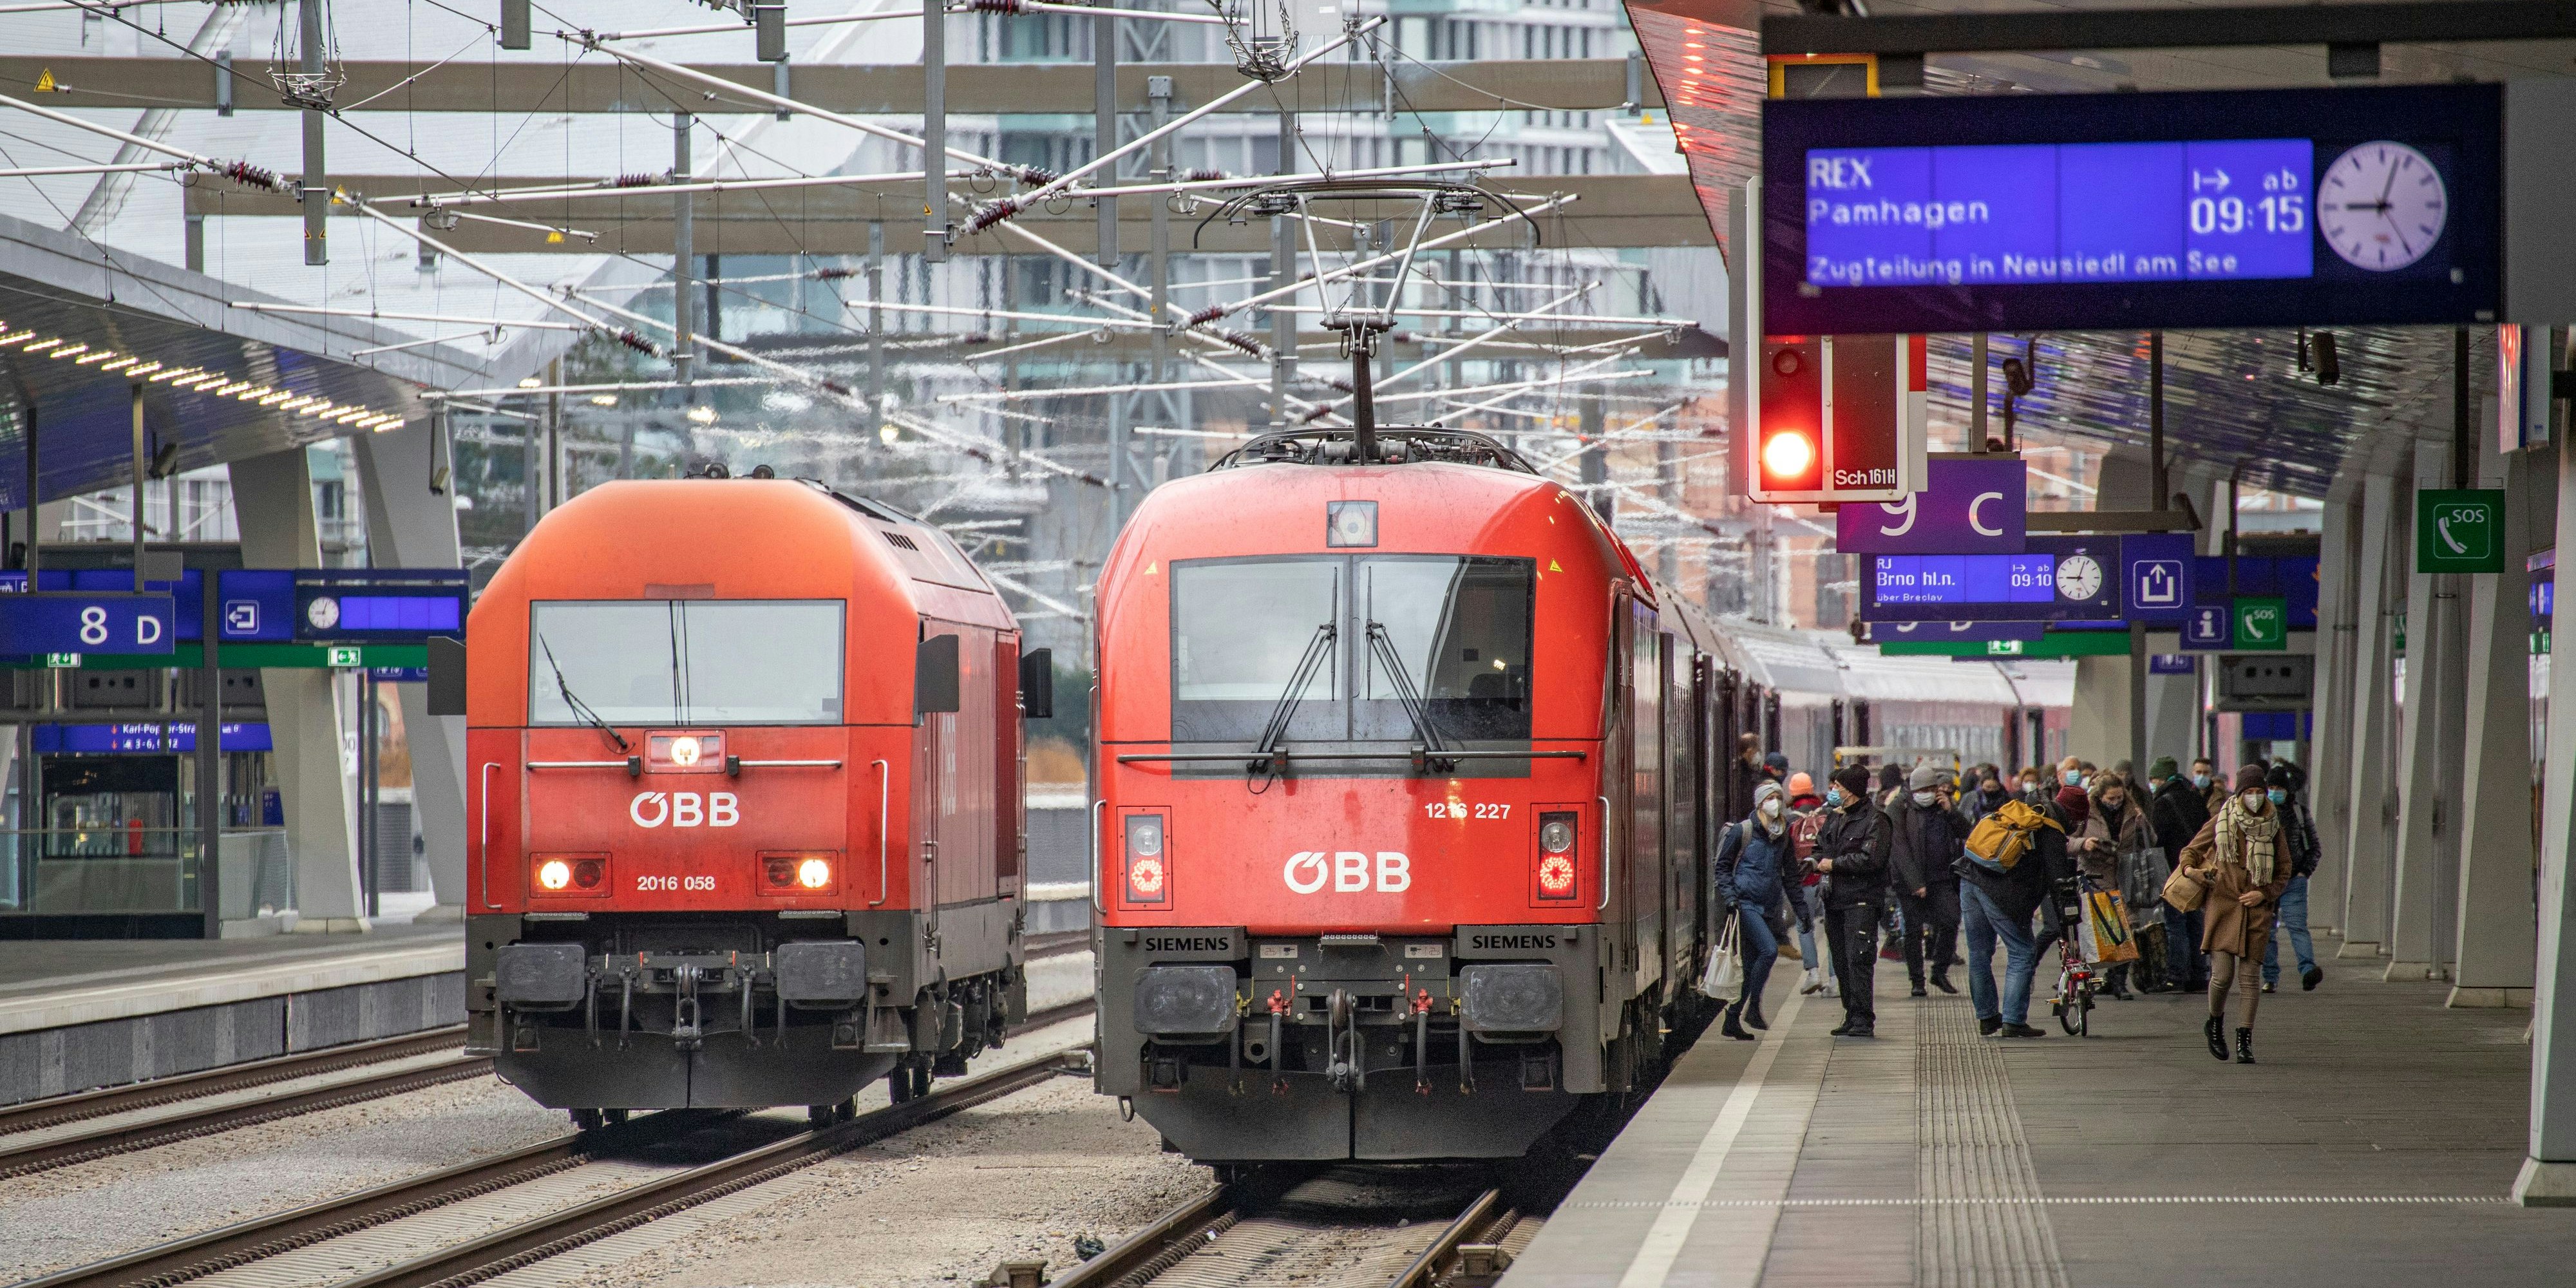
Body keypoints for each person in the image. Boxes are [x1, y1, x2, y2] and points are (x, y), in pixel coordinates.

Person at [2175, 765, 2291, 1064]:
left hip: (2256, 910)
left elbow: (2284, 870)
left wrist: (2264, 893)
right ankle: (2215, 1022)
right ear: (2239, 794)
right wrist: (2191, 872)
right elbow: (2190, 852)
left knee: (2250, 979)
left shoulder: (2273, 825)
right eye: (2248, 792)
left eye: (2259, 792)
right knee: (2222, 976)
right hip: (2223, 906)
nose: (2254, 797)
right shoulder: (2222, 820)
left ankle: (2245, 1040)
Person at [1953, 783, 2069, 1038]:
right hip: (1997, 889)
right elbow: (2059, 881)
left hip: (1969, 877)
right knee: (2022, 951)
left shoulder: (2015, 811)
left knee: (1979, 953)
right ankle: (2014, 1020)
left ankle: (1987, 1017)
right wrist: (2068, 917)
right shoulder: (2052, 830)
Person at [1813, 764, 1893, 1037]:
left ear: (1852, 791)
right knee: (1841, 959)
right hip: (1835, 900)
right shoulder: (1835, 817)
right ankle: (1851, 1013)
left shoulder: (1876, 820)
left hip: (1862, 900)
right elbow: (1821, 847)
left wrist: (1834, 864)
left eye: (1839, 787)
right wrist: (1815, 861)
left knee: (1859, 957)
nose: (1834, 790)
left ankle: (1863, 1019)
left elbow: (1872, 859)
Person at [1713, 781, 1796, 1040]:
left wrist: (1801, 910)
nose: (1776, 803)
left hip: (1768, 907)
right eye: (1770, 798)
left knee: (1750, 965)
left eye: (1778, 797)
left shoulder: (1782, 835)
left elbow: (1790, 874)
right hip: (1745, 904)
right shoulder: (1743, 831)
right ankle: (1754, 1007)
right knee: (1769, 950)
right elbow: (1722, 866)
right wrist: (1730, 897)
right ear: (1760, 803)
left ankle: (1731, 1020)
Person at [1888, 764, 1964, 997]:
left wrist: (1951, 811)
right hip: (1910, 881)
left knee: (1951, 920)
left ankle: (1939, 971)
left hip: (1941, 877)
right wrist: (1915, 883)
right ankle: (1917, 980)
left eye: (1932, 789)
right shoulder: (1899, 807)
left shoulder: (1943, 807)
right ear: (1914, 790)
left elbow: (1966, 832)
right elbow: (1899, 848)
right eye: (1924, 790)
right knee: (1913, 930)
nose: (1928, 794)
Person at [2078, 772, 2152, 1000]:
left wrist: (2142, 826)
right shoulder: (2086, 813)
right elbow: (2067, 840)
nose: (2116, 802)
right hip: (2097, 876)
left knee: (2127, 928)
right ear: (2099, 796)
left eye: (2119, 797)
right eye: (2111, 798)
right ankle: (2099, 978)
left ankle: (2118, 981)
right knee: (2105, 930)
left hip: (2127, 874)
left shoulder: (2133, 812)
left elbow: (2151, 839)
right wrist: (2084, 843)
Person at [2260, 761, 2325, 993]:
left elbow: (2315, 847)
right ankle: (2270, 977)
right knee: (2266, 931)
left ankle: (2308, 971)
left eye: (2279, 788)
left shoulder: (2299, 813)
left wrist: (2303, 872)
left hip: (2293, 881)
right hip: (2266, 881)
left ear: (2288, 790)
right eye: (2271, 788)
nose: (2274, 792)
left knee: (2297, 927)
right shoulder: (2259, 815)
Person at [2150, 756, 2212, 994]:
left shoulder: (2163, 802)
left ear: (2162, 778)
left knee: (2175, 925)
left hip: (2173, 870)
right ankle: (2199, 974)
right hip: (2196, 867)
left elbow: (2157, 840)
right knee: (2195, 922)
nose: (2152, 783)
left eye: (2154, 778)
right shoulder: (2195, 796)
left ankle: (2176, 975)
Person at [1783, 771, 1829, 994]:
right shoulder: (1827, 814)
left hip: (1804, 883)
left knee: (1804, 926)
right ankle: (1835, 980)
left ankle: (1813, 974)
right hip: (1828, 880)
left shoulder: (1790, 820)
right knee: (1833, 929)